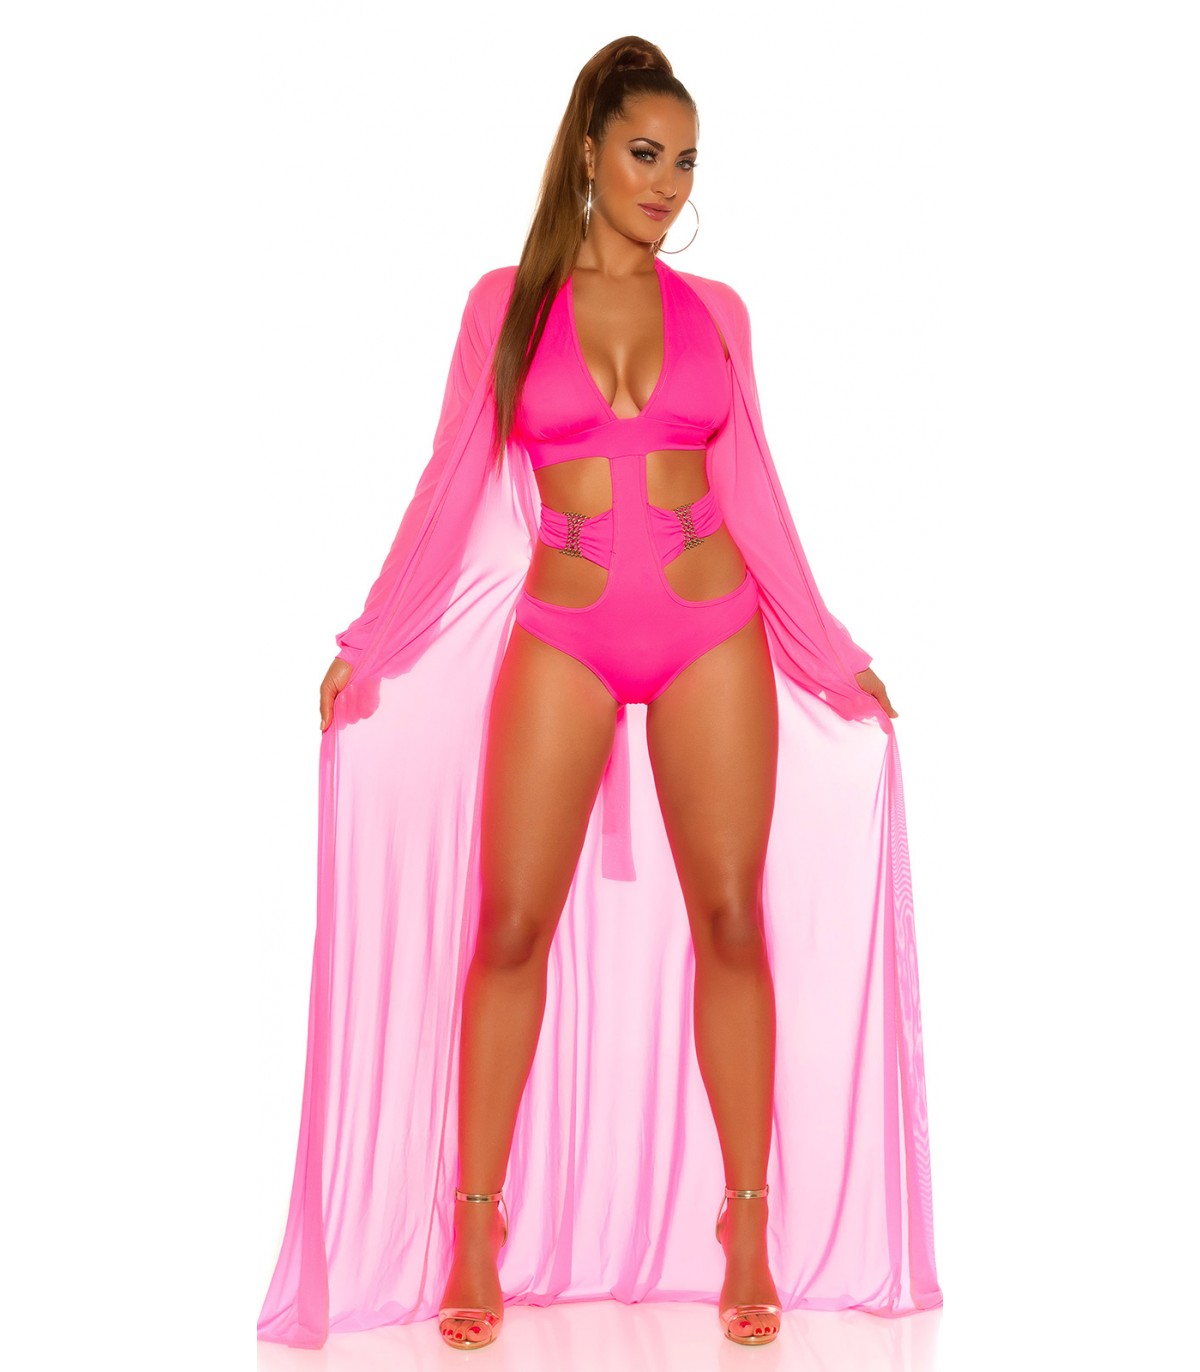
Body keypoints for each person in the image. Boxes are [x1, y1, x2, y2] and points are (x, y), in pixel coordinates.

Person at [258, 34, 943, 1355]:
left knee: (731, 918)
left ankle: (746, 1224)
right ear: (588, 151)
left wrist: (826, 647)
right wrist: (374, 636)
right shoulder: (506, 303)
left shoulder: (720, 311)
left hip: (709, 627)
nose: (668, 184)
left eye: (686, 162)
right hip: (567, 635)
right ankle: (475, 1227)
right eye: (644, 153)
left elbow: (755, 488)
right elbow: (453, 475)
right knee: (510, 925)